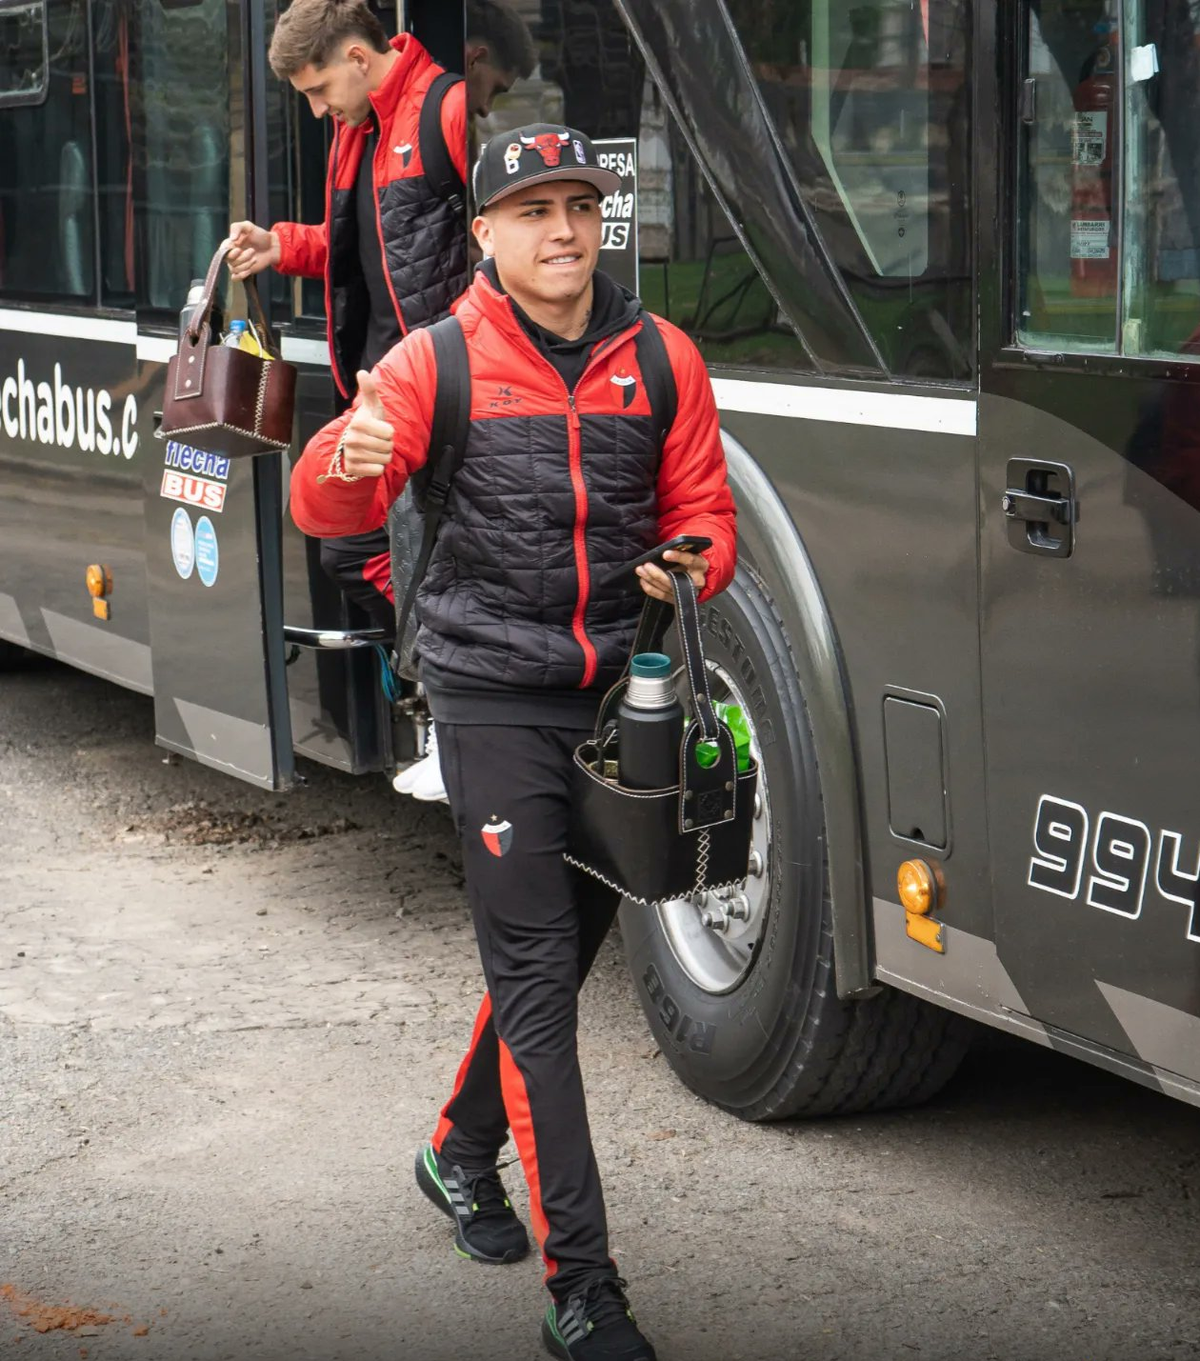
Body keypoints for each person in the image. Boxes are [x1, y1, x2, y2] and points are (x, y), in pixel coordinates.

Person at [289, 124, 736, 1361]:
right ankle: (584, 1286)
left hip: (614, 699)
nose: (563, 230)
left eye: (580, 206)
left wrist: (690, 559)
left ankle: (456, 1147)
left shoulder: (664, 356)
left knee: (567, 940)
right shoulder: (436, 361)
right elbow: (323, 501)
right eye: (532, 210)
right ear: (482, 234)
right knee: (542, 980)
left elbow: (705, 508)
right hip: (491, 698)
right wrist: (344, 454)